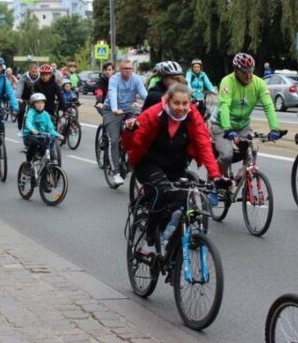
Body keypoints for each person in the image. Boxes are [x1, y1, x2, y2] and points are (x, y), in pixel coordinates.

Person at [123, 83, 229, 251]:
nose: (181, 108)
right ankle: (150, 240)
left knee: (183, 199)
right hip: (149, 163)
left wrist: (215, 176)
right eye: (176, 103)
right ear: (168, 101)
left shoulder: (193, 116)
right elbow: (130, 144)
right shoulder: (153, 114)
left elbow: (203, 145)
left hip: (175, 164)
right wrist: (129, 131)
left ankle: (172, 249)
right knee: (161, 190)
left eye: (185, 104)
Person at [211, 52, 283, 175]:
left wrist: (274, 128)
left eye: (251, 71)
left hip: (243, 125)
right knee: (227, 155)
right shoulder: (227, 81)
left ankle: (243, 180)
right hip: (221, 125)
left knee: (253, 150)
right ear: (236, 70)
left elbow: (269, 106)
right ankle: (215, 182)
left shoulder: (259, 83)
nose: (248, 75)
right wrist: (228, 128)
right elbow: (224, 107)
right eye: (244, 72)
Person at [103, 59, 148, 185]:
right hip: (112, 110)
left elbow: (145, 95)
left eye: (129, 68)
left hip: (129, 109)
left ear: (132, 70)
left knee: (139, 133)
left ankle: (131, 160)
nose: (127, 71)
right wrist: (114, 109)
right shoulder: (114, 79)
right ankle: (115, 172)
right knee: (114, 140)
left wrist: (156, 105)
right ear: (120, 69)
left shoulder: (136, 79)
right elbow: (112, 94)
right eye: (124, 68)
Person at [22, 93, 63, 163]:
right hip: (29, 135)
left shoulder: (46, 114)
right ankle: (28, 163)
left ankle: (51, 166)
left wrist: (58, 135)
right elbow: (28, 122)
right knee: (35, 143)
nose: (40, 105)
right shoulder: (31, 112)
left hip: (42, 136)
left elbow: (50, 129)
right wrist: (32, 129)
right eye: (37, 103)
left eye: (42, 103)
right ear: (33, 104)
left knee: (48, 148)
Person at [16, 64, 40, 131]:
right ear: (29, 70)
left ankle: (35, 127)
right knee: (21, 111)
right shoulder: (23, 77)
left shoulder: (39, 78)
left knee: (36, 112)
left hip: (34, 98)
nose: (35, 73)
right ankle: (20, 126)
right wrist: (18, 97)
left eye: (36, 72)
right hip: (23, 98)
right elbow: (19, 87)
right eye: (33, 71)